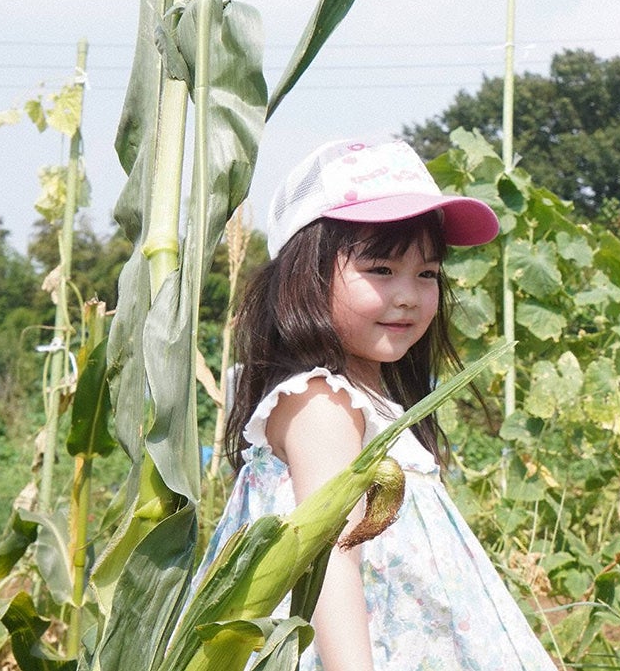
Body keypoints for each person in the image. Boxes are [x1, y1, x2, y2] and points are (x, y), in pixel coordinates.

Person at [202, 138, 558, 671]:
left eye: (428, 273)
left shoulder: (367, 396)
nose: (409, 295)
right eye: (381, 270)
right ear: (306, 276)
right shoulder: (322, 403)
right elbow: (328, 558)